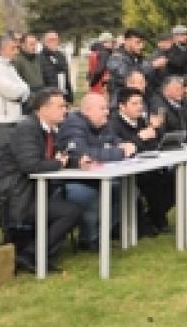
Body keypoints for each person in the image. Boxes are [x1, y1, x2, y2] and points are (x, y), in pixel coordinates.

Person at [0, 88, 86, 273]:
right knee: (70, 211)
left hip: (29, 194)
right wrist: (59, 164)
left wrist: (77, 162)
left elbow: (53, 158)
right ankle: (30, 255)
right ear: (43, 109)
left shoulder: (50, 130)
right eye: (61, 106)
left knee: (71, 208)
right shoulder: (26, 130)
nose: (65, 110)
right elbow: (31, 165)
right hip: (10, 199)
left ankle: (34, 253)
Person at [55, 92, 132, 247]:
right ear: (87, 110)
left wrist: (124, 146)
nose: (107, 112)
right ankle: (89, 238)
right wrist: (120, 152)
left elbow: (116, 142)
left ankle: (101, 233)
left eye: (107, 108)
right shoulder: (73, 125)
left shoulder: (103, 123)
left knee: (129, 190)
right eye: (102, 108)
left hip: (95, 176)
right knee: (91, 194)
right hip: (71, 179)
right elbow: (84, 154)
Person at [112, 87, 175, 235]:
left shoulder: (141, 121)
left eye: (140, 103)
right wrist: (140, 138)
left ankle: (154, 216)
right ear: (122, 106)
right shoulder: (114, 125)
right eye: (134, 103)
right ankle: (155, 219)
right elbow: (124, 149)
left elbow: (154, 144)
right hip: (128, 171)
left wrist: (156, 129)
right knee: (153, 182)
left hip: (149, 166)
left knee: (175, 178)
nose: (139, 107)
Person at [106, 28, 149, 107]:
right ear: (127, 41)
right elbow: (128, 78)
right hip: (120, 102)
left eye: (142, 43)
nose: (141, 46)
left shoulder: (137, 57)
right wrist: (152, 66)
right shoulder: (116, 58)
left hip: (135, 100)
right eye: (138, 42)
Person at [39, 31, 74, 104]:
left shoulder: (61, 55)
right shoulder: (39, 58)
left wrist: (69, 95)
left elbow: (66, 76)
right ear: (44, 42)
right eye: (51, 40)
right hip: (49, 97)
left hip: (63, 94)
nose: (54, 42)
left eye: (56, 39)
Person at [12, 33, 46, 98]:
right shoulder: (17, 60)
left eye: (35, 44)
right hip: (27, 98)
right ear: (22, 45)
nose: (34, 47)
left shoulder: (38, 58)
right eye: (31, 44)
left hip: (41, 96)